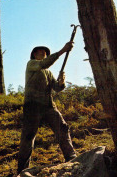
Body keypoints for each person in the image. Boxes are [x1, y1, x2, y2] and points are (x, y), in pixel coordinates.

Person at [17, 42, 77, 174]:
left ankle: (71, 158)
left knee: (62, 128)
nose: (43, 53)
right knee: (28, 137)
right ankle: (21, 170)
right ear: (34, 54)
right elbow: (44, 64)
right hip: (32, 106)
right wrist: (62, 51)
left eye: (45, 52)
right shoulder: (31, 64)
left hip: (48, 106)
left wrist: (62, 82)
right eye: (40, 51)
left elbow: (57, 88)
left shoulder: (48, 72)